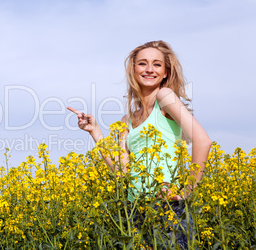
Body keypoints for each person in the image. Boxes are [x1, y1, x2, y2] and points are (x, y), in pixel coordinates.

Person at [67, 40, 212, 249]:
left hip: (167, 206)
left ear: (165, 73)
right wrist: (95, 131)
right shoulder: (127, 119)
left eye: (157, 64)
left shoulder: (165, 97)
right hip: (136, 209)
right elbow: (123, 171)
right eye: (142, 63)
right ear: (133, 70)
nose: (149, 69)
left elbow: (203, 140)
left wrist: (188, 190)